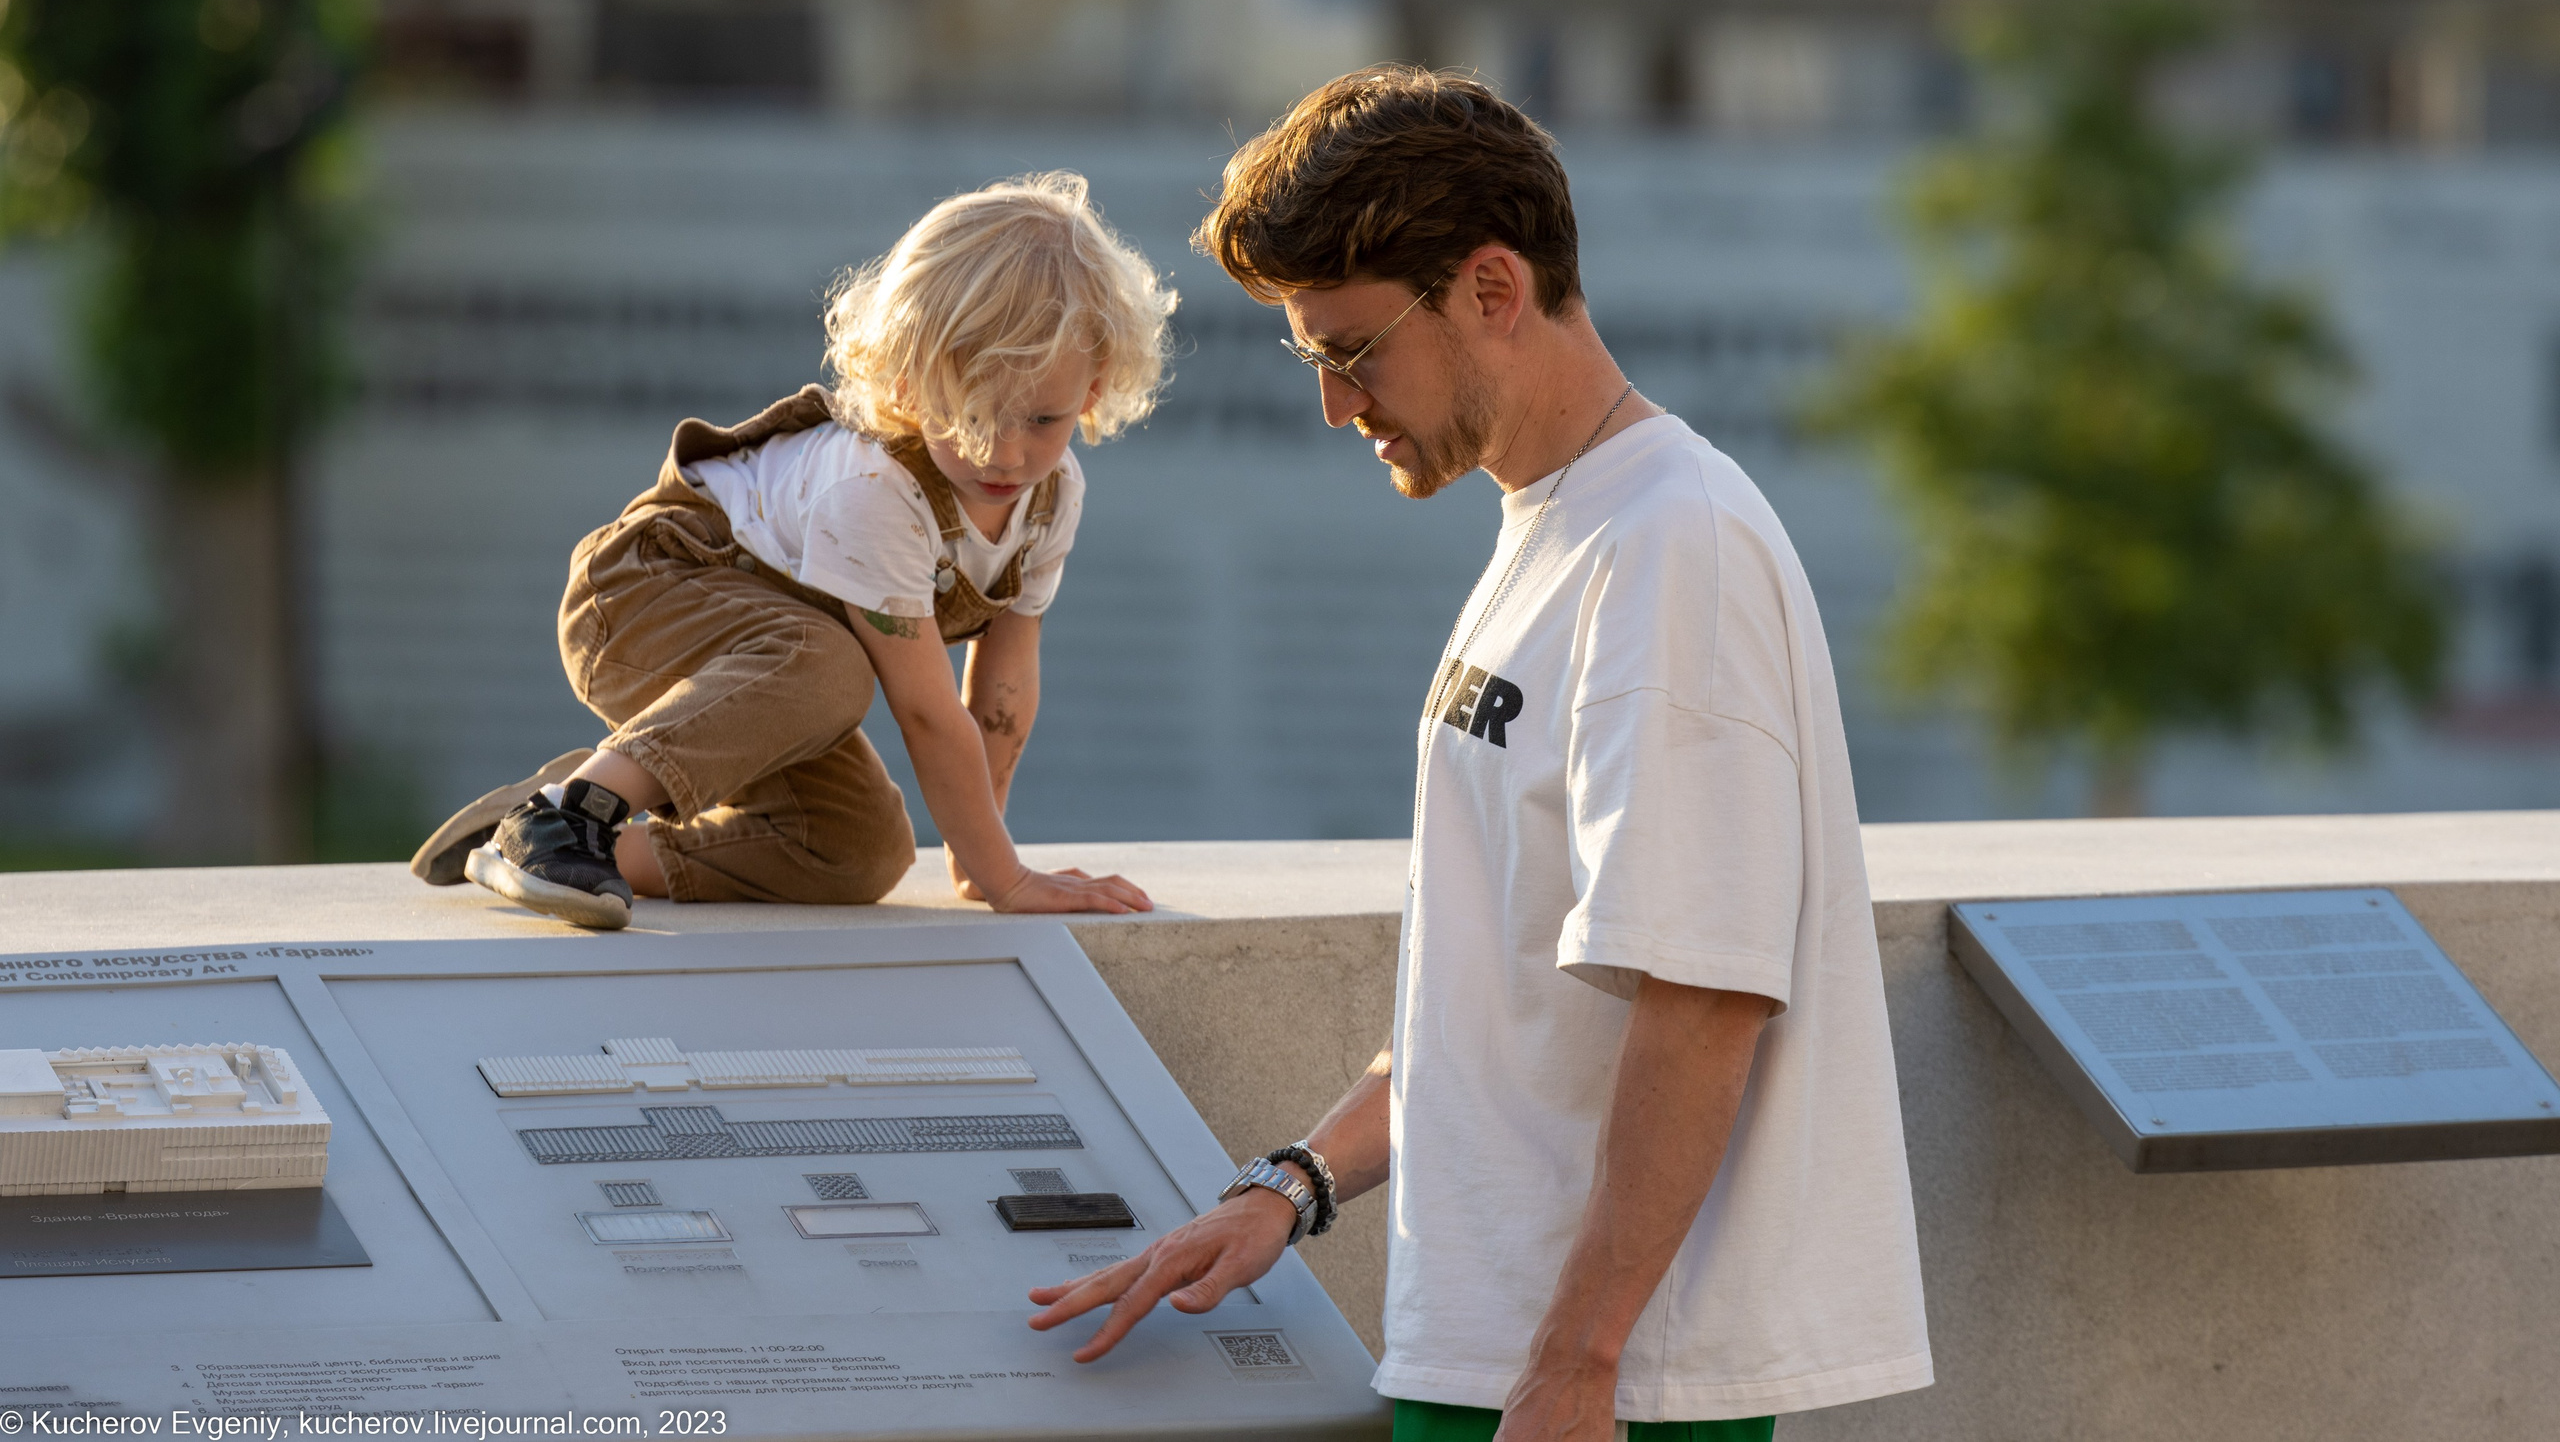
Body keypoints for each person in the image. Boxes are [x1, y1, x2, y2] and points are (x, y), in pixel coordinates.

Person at [1024, 71, 1931, 1441]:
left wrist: (1577, 1361)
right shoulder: (1559, 525)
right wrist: (1290, 1184)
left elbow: (1702, 994)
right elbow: (1503, 992)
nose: (1336, 404)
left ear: (1494, 290)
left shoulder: (1670, 545)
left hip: (1600, 1387)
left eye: (1355, 349)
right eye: (1311, 358)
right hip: (1506, 1356)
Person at [407, 173, 1165, 930]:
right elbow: (929, 713)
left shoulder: (1050, 496)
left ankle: (557, 831)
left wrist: (979, 857)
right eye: (968, 413)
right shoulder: (874, 488)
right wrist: (1009, 879)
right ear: (908, 380)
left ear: (1093, 389)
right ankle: (570, 818)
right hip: (643, 599)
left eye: (1041, 417)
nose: (1003, 453)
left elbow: (1003, 681)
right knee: (830, 666)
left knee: (854, 852)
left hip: (770, 666)